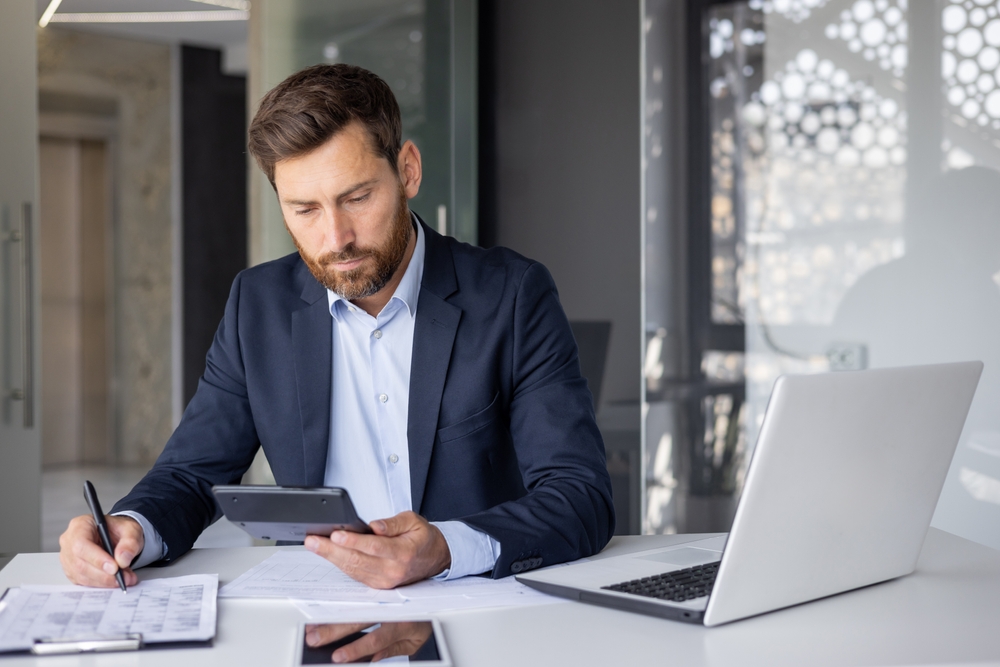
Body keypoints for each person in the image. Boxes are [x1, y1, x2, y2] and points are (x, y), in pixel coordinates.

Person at [59, 63, 615, 589]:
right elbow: (189, 474)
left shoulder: (511, 295)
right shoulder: (257, 306)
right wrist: (130, 527)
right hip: (318, 603)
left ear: (408, 170)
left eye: (357, 198)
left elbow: (580, 495)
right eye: (305, 210)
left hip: (476, 602)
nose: (336, 238)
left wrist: (445, 548)